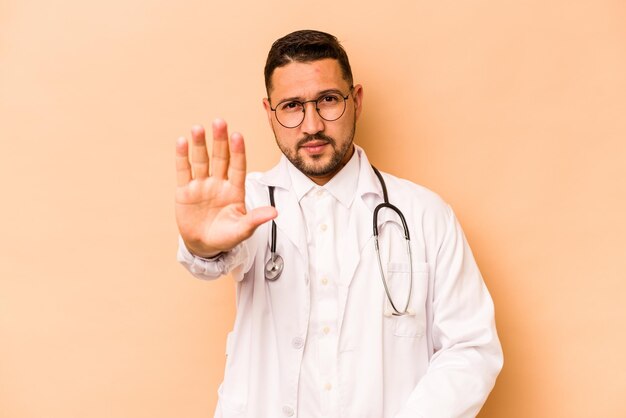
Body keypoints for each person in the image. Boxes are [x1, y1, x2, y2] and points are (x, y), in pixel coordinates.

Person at [175, 29, 503, 418]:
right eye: (292, 106)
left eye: (328, 100)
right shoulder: (246, 204)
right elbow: (214, 256)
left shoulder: (424, 215)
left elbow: (471, 348)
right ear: (269, 113)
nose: (311, 124)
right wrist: (202, 245)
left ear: (356, 101)